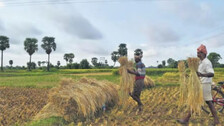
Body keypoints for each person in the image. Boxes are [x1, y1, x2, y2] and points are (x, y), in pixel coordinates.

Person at [177, 44, 220, 125]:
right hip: (201, 84)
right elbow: (197, 73)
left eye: (199, 53)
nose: (197, 54)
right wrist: (188, 76)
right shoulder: (200, 62)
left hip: (205, 84)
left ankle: (186, 119)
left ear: (204, 53)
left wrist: (202, 75)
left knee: (206, 102)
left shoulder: (206, 63)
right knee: (200, 101)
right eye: (197, 53)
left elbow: (211, 73)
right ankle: (186, 119)